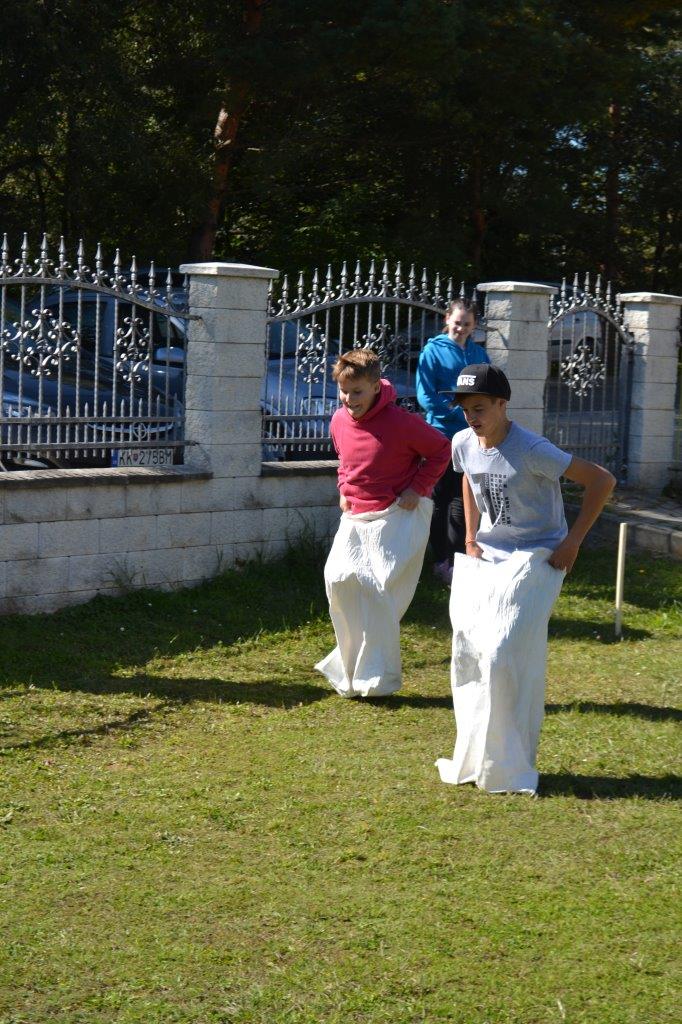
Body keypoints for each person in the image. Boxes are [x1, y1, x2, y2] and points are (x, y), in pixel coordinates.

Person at [436, 364, 615, 794]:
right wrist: (471, 538)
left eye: (480, 408)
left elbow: (601, 480)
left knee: (501, 652)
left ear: (502, 404)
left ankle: (512, 764)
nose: (471, 417)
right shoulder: (463, 442)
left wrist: (573, 542)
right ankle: (479, 758)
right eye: (465, 409)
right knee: (470, 652)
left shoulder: (533, 448)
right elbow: (468, 480)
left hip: (539, 555)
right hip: (488, 557)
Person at [315, 349, 451, 698]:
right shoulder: (338, 420)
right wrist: (343, 488)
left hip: (394, 516)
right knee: (337, 580)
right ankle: (348, 667)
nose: (349, 399)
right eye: (343, 391)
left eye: (357, 391)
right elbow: (344, 460)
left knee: (377, 592)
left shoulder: (401, 422)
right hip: (355, 515)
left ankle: (377, 678)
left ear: (376, 386)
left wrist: (417, 488)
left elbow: (441, 450)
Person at [416, 298, 490, 585]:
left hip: (472, 438)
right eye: (457, 322)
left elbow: (489, 388)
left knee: (463, 499)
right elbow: (425, 395)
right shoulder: (432, 351)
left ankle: (459, 558)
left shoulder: (479, 354)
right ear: (447, 319)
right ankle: (440, 560)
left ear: (474, 325)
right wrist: (457, 411)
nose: (461, 328)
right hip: (441, 437)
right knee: (440, 499)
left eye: (467, 324)